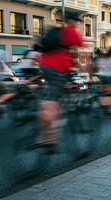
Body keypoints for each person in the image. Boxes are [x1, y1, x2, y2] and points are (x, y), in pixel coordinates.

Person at [35, 11, 84, 153]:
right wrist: (82, 68)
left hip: (44, 64)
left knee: (48, 100)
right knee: (54, 103)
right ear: (73, 21)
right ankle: (49, 138)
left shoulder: (59, 32)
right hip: (57, 67)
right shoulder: (72, 31)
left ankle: (44, 132)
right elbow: (78, 52)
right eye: (76, 21)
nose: (76, 23)